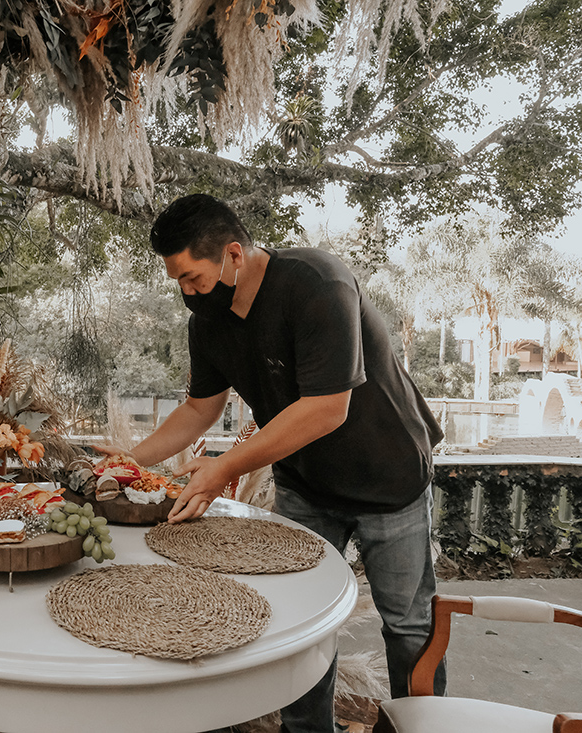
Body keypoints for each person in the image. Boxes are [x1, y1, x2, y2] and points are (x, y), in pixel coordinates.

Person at [93, 194, 446, 733]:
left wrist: (221, 468)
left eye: (192, 278)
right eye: (178, 281)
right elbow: (199, 409)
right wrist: (129, 460)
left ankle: (421, 728)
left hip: (387, 478)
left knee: (408, 626)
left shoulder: (316, 284)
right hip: (306, 485)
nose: (186, 293)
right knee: (301, 625)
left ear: (233, 255)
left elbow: (328, 408)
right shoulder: (208, 325)